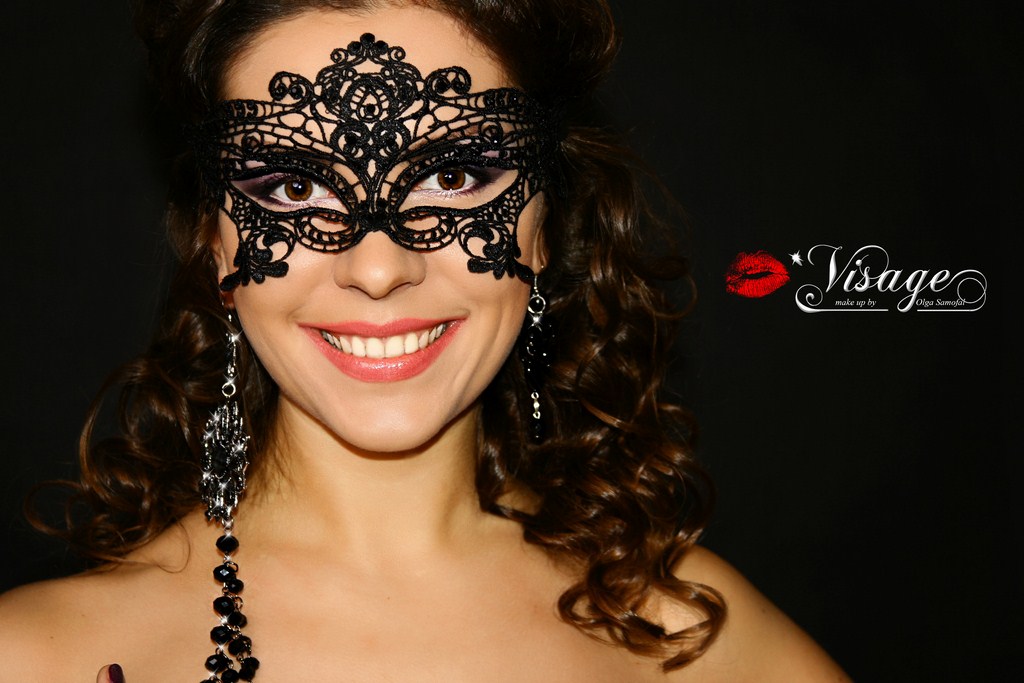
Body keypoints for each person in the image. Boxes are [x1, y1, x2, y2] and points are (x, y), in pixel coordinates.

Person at [0, 1, 850, 680]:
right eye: (294, 187)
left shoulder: (682, 635)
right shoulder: (37, 657)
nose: (378, 267)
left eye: (453, 176)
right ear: (215, 241)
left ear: (545, 224)